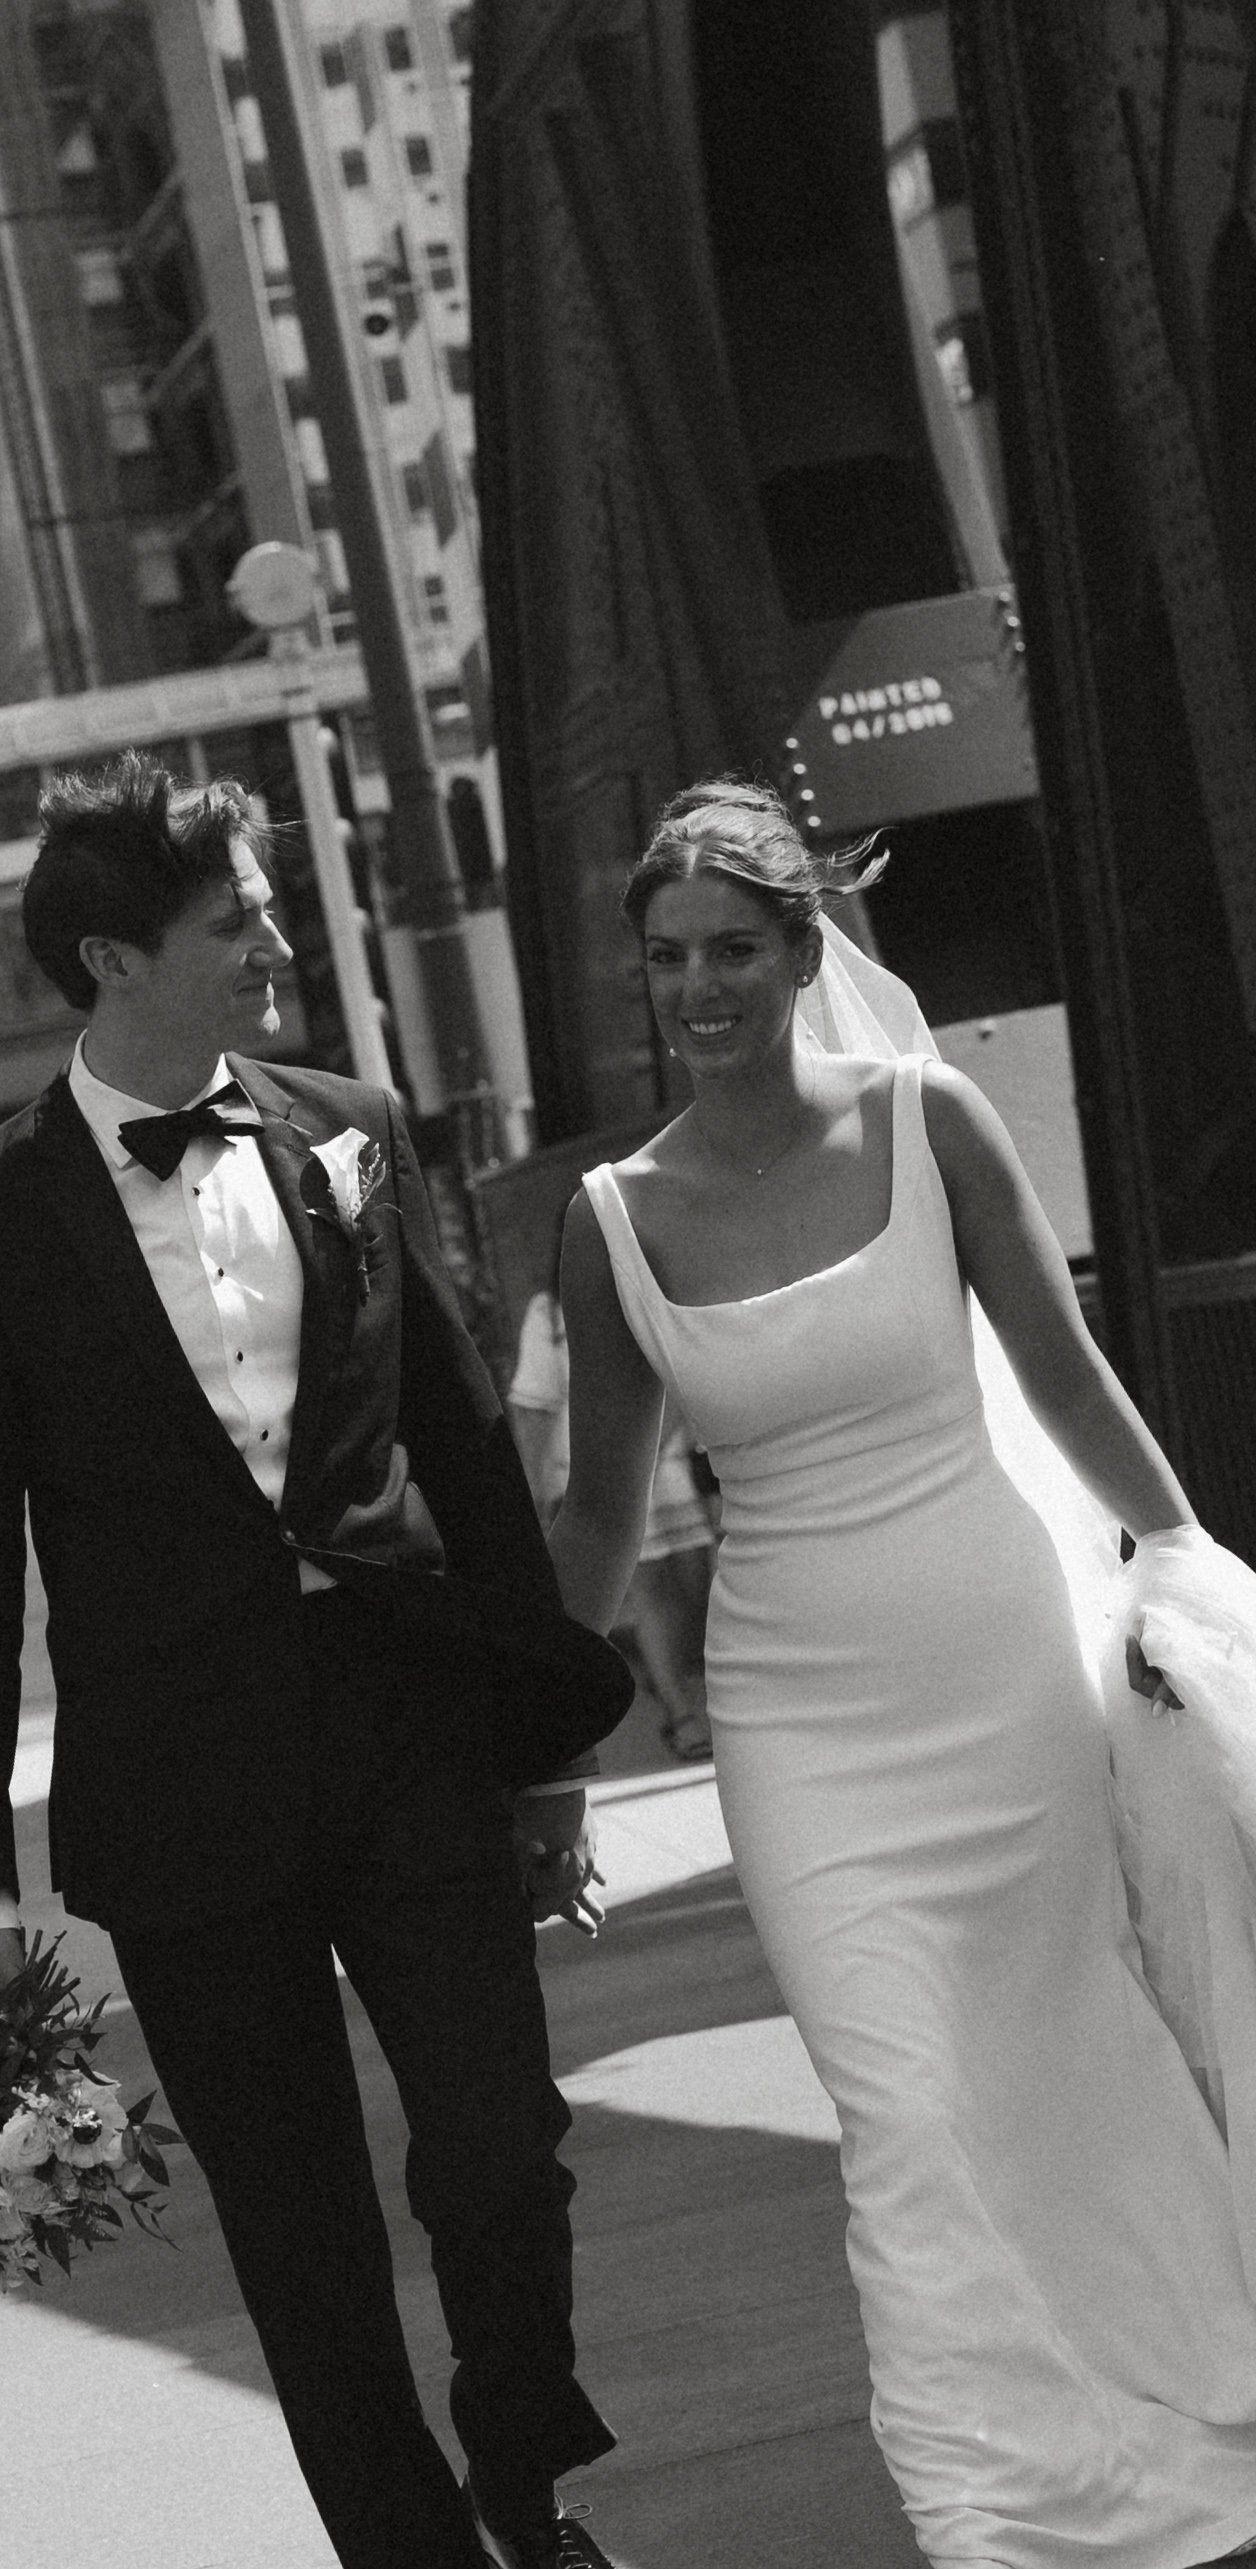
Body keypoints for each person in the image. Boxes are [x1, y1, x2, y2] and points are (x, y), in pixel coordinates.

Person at [550, 777, 1256, 2567]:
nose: (698, 987)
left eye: (731, 949)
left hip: (1001, 1670)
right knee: (897, 2103)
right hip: (792, 1713)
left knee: (1064, 2059)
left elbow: (1063, 1379)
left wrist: (1185, 1582)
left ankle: (1183, 2396)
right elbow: (599, 1515)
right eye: (666, 958)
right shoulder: (612, 1217)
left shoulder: (929, 1118)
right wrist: (530, 1743)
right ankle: (986, 2507)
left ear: (800, 950)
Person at [0, 754, 636, 2569]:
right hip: (183, 1792)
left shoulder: (349, 1122)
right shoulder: (7, 1211)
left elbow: (458, 1441)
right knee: (300, 2233)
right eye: (239, 918)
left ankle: (527, 2478)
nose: (279, 938)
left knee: (501, 2147)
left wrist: (551, 1752)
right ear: (114, 961)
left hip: (412, 1734)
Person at [509, 1284, 716, 1760]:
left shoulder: (658, 1288)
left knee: (694, 1586)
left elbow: (683, 1379)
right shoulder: (552, 1314)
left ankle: (669, 1683)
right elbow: (535, 1402)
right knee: (649, 1593)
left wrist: (659, 1448)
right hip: (595, 1470)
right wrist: (537, 1484)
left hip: (669, 1468)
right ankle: (680, 1711)